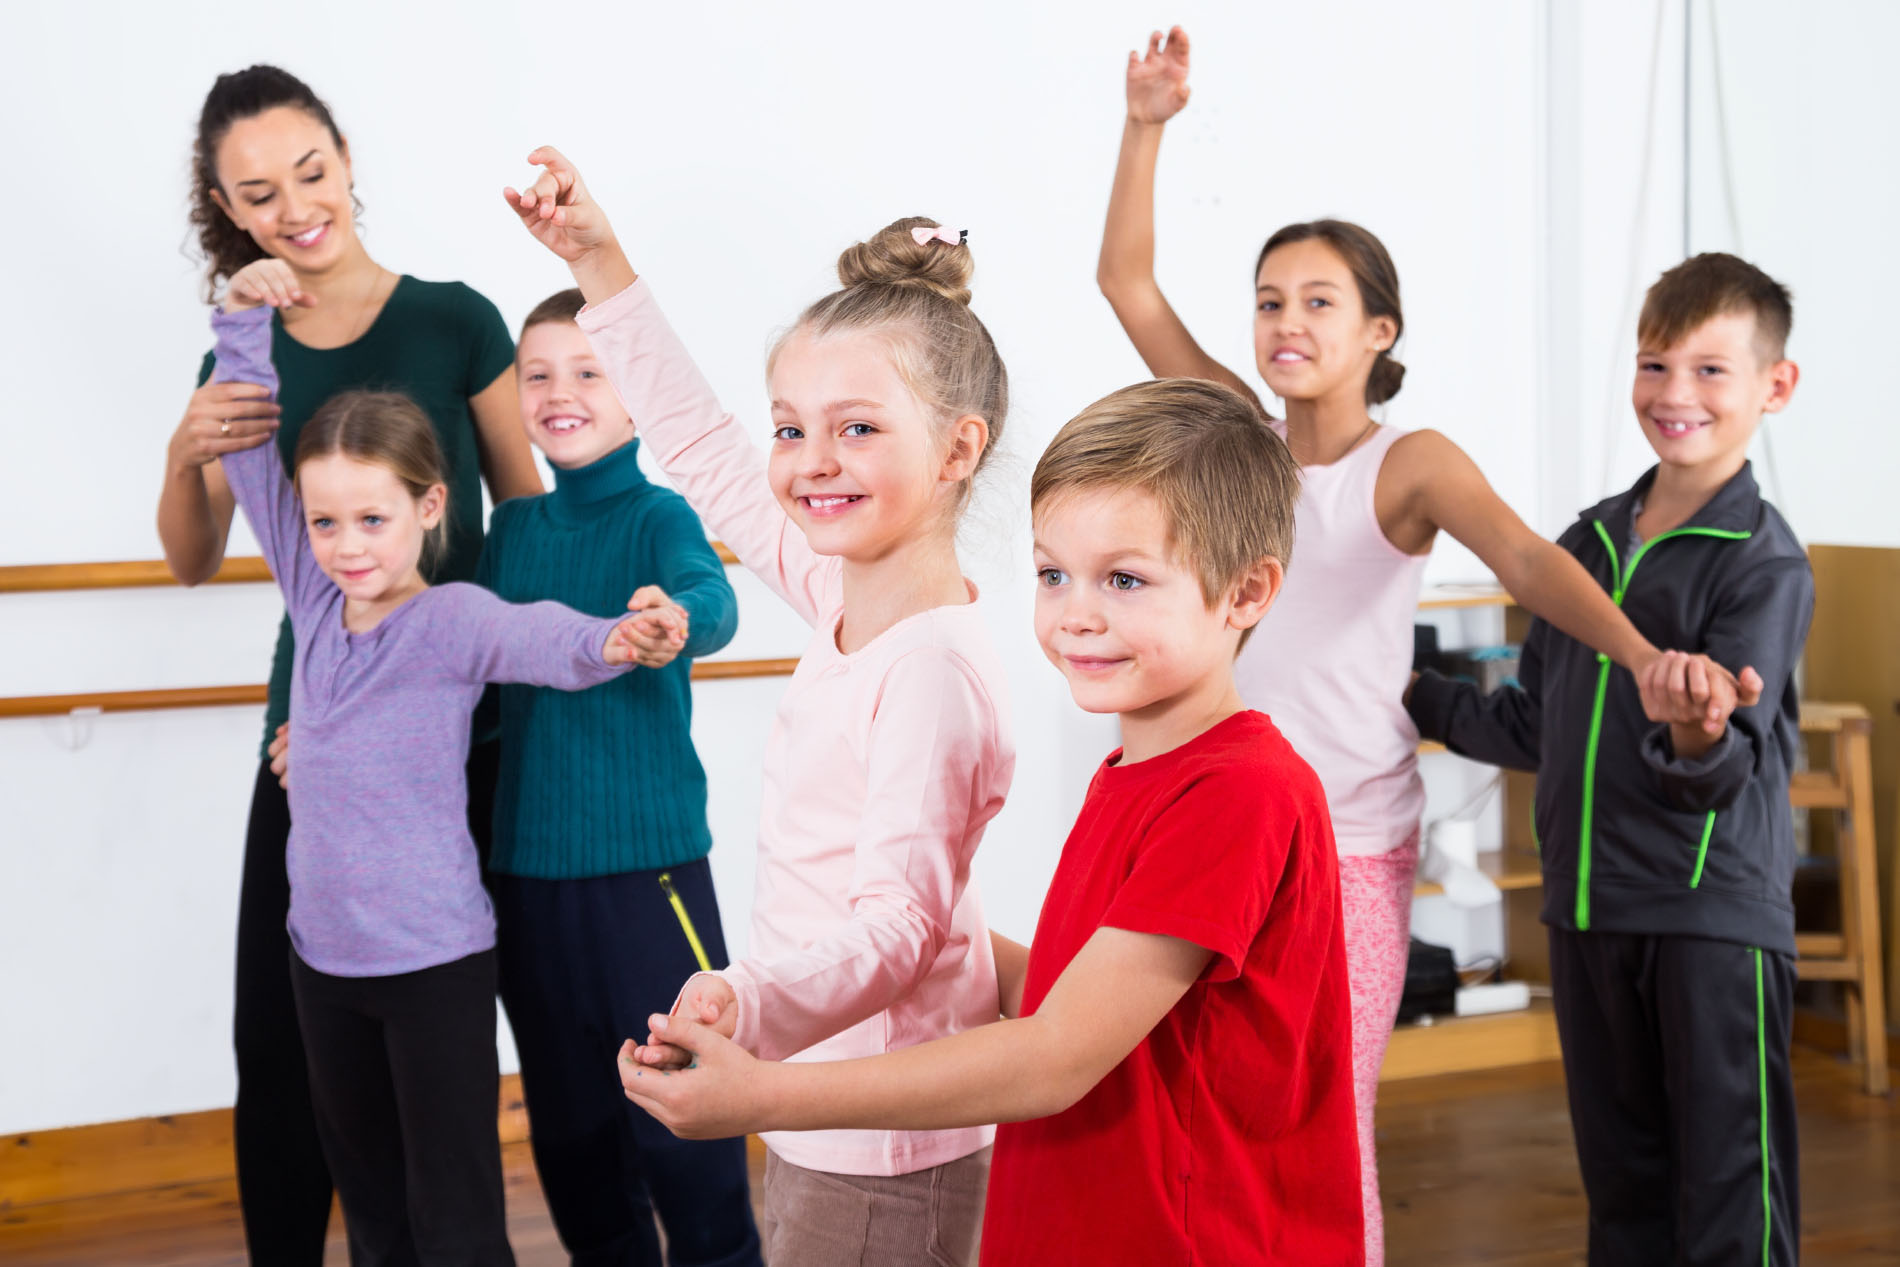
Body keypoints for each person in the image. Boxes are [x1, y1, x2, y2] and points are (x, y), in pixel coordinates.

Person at [1095, 28, 1756, 1259]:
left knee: (1324, 1116)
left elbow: (1522, 561)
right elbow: (1128, 287)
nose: (1285, 321)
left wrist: (1641, 660)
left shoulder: (1409, 464)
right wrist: (1147, 125)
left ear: (1378, 331)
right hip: (1218, 816)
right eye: (1269, 299)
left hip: (1343, 838)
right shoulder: (1232, 436)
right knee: (1204, 1100)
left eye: (1319, 302)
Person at [622, 378, 1366, 1265]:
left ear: (1246, 593)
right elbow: (1071, 989)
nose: (1076, 613)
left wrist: (767, 1096)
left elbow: (1055, 1054)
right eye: (1055, 573)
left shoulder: (1239, 795)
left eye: (1124, 578)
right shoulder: (1138, 770)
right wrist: (916, 935)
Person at [505, 150, 1014, 1266]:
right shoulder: (848, 593)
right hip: (818, 1108)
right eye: (792, 428)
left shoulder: (926, 672)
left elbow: (893, 932)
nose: (809, 461)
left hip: (882, 1142)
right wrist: (597, 258)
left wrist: (741, 1007)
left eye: (857, 428)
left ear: (958, 449)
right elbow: (702, 449)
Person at [157, 64, 542, 1262]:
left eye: (310, 172)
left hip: (462, 728)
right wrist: (181, 449)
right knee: (278, 1038)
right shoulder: (243, 353)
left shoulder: (455, 317)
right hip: (309, 733)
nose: (294, 207)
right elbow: (192, 558)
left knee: (454, 1044)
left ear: (347, 161)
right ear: (228, 210)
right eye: (258, 193)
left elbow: (522, 520)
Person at [209, 295, 658, 1266]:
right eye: (324, 521)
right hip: (322, 963)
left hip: (434, 970)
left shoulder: (453, 616)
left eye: (372, 517)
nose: (347, 544)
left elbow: (541, 635)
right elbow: (249, 464)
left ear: (428, 506)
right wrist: (241, 324)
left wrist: (616, 637)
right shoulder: (316, 602)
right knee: (370, 1203)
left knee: (451, 1214)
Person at [1409, 253, 1805, 1266]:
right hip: (1587, 910)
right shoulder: (1582, 544)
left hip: (1707, 919)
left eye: (1711, 370)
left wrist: (1694, 725)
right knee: (1623, 1197)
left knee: (1729, 1197)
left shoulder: (1762, 562)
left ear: (1775, 385)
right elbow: (1536, 724)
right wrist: (1405, 690)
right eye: (1653, 364)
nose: (1675, 393)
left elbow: (1723, 769)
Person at [474, 288, 761, 1266]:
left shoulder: (657, 515)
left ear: (636, 396)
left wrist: (679, 619)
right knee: (574, 1143)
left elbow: (712, 598)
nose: (561, 392)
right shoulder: (510, 534)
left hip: (651, 880)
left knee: (686, 1135)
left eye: (589, 370)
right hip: (527, 884)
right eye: (539, 374)